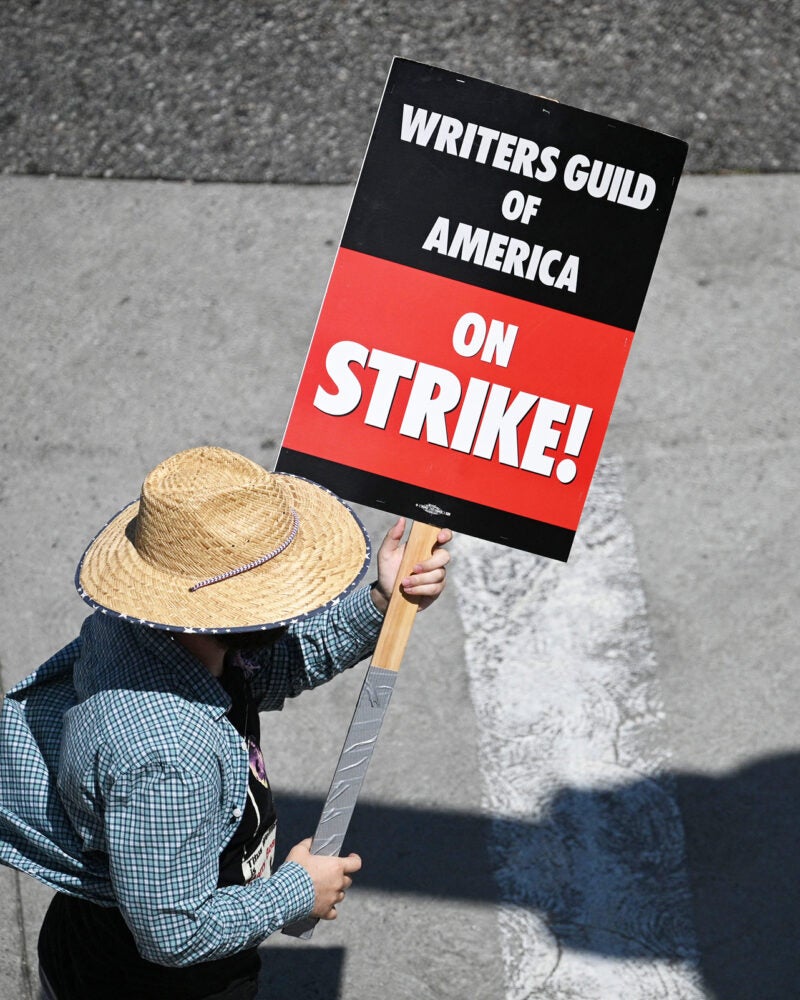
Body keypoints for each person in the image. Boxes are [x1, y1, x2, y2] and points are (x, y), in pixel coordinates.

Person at [0, 446, 451, 1000]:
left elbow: (265, 669)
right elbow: (174, 932)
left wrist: (383, 601)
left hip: (97, 939)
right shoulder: (170, 756)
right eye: (280, 589)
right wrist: (297, 891)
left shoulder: (159, 634)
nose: (296, 606)